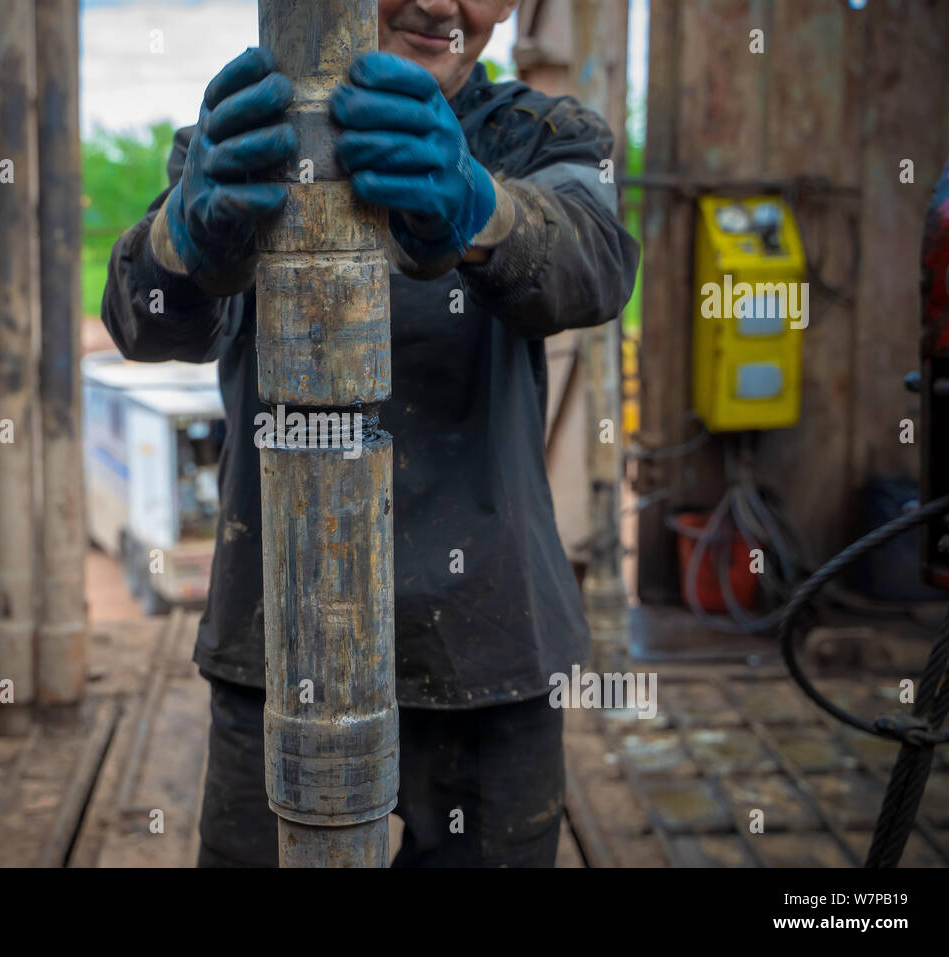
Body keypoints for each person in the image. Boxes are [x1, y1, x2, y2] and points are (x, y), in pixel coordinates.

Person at [102, 0, 639, 866]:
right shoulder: (252, 128)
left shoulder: (542, 135)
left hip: (488, 643)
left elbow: (593, 262)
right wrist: (182, 235)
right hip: (274, 645)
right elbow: (146, 321)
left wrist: (482, 209)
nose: (440, 3)